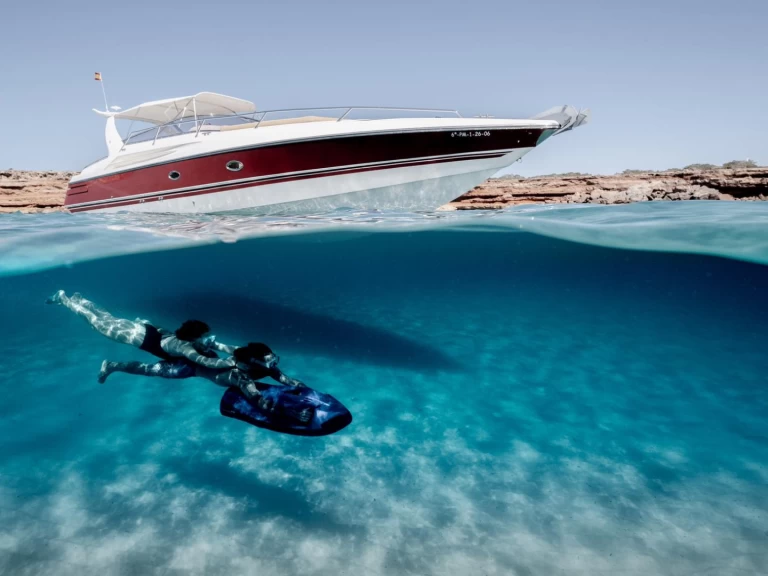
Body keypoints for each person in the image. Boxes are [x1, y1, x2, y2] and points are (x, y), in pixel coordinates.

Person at [98, 342, 307, 418]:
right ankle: (113, 365)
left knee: (156, 361)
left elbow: (286, 379)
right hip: (189, 367)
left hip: (205, 358)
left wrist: (306, 389)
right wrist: (290, 412)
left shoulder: (252, 358)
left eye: (275, 359)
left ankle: (147, 327)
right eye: (270, 361)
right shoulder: (241, 376)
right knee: (150, 370)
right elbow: (258, 400)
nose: (274, 364)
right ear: (254, 361)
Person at [46, 290, 236, 370]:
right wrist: (232, 363)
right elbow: (205, 361)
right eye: (204, 337)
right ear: (194, 337)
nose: (208, 340)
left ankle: (80, 299)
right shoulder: (186, 348)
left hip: (144, 330)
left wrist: (237, 352)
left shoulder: (184, 338)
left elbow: (218, 348)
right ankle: (64, 299)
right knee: (94, 321)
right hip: (136, 336)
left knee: (107, 318)